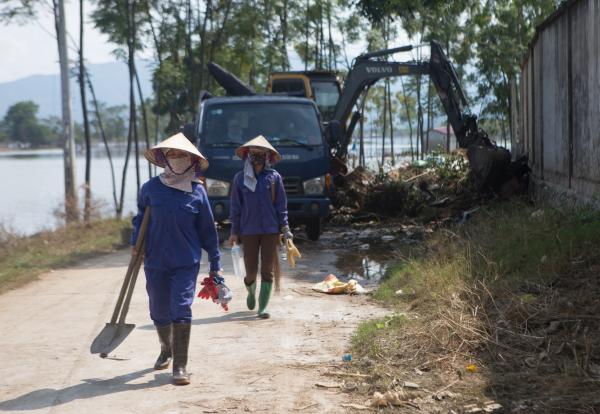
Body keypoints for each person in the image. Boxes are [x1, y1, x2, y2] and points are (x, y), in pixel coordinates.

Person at [131, 132, 221, 386]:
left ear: (191, 160)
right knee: (158, 310)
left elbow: (208, 231)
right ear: (164, 159)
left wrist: (215, 262)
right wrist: (134, 243)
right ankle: (166, 348)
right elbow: (140, 219)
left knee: (180, 308)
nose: (178, 159)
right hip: (155, 260)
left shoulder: (197, 192)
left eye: (182, 155)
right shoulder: (150, 188)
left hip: (185, 261)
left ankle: (180, 366)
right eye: (173, 154)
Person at [228, 135, 292, 319]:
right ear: (248, 155)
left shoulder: (274, 178)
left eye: (260, 153)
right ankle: (250, 290)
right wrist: (234, 232)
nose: (257, 156)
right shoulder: (240, 179)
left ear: (267, 156)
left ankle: (262, 307)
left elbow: (281, 205)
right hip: (248, 231)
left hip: (270, 231)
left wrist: (285, 228)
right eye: (253, 153)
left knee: (267, 270)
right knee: (250, 271)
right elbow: (236, 208)